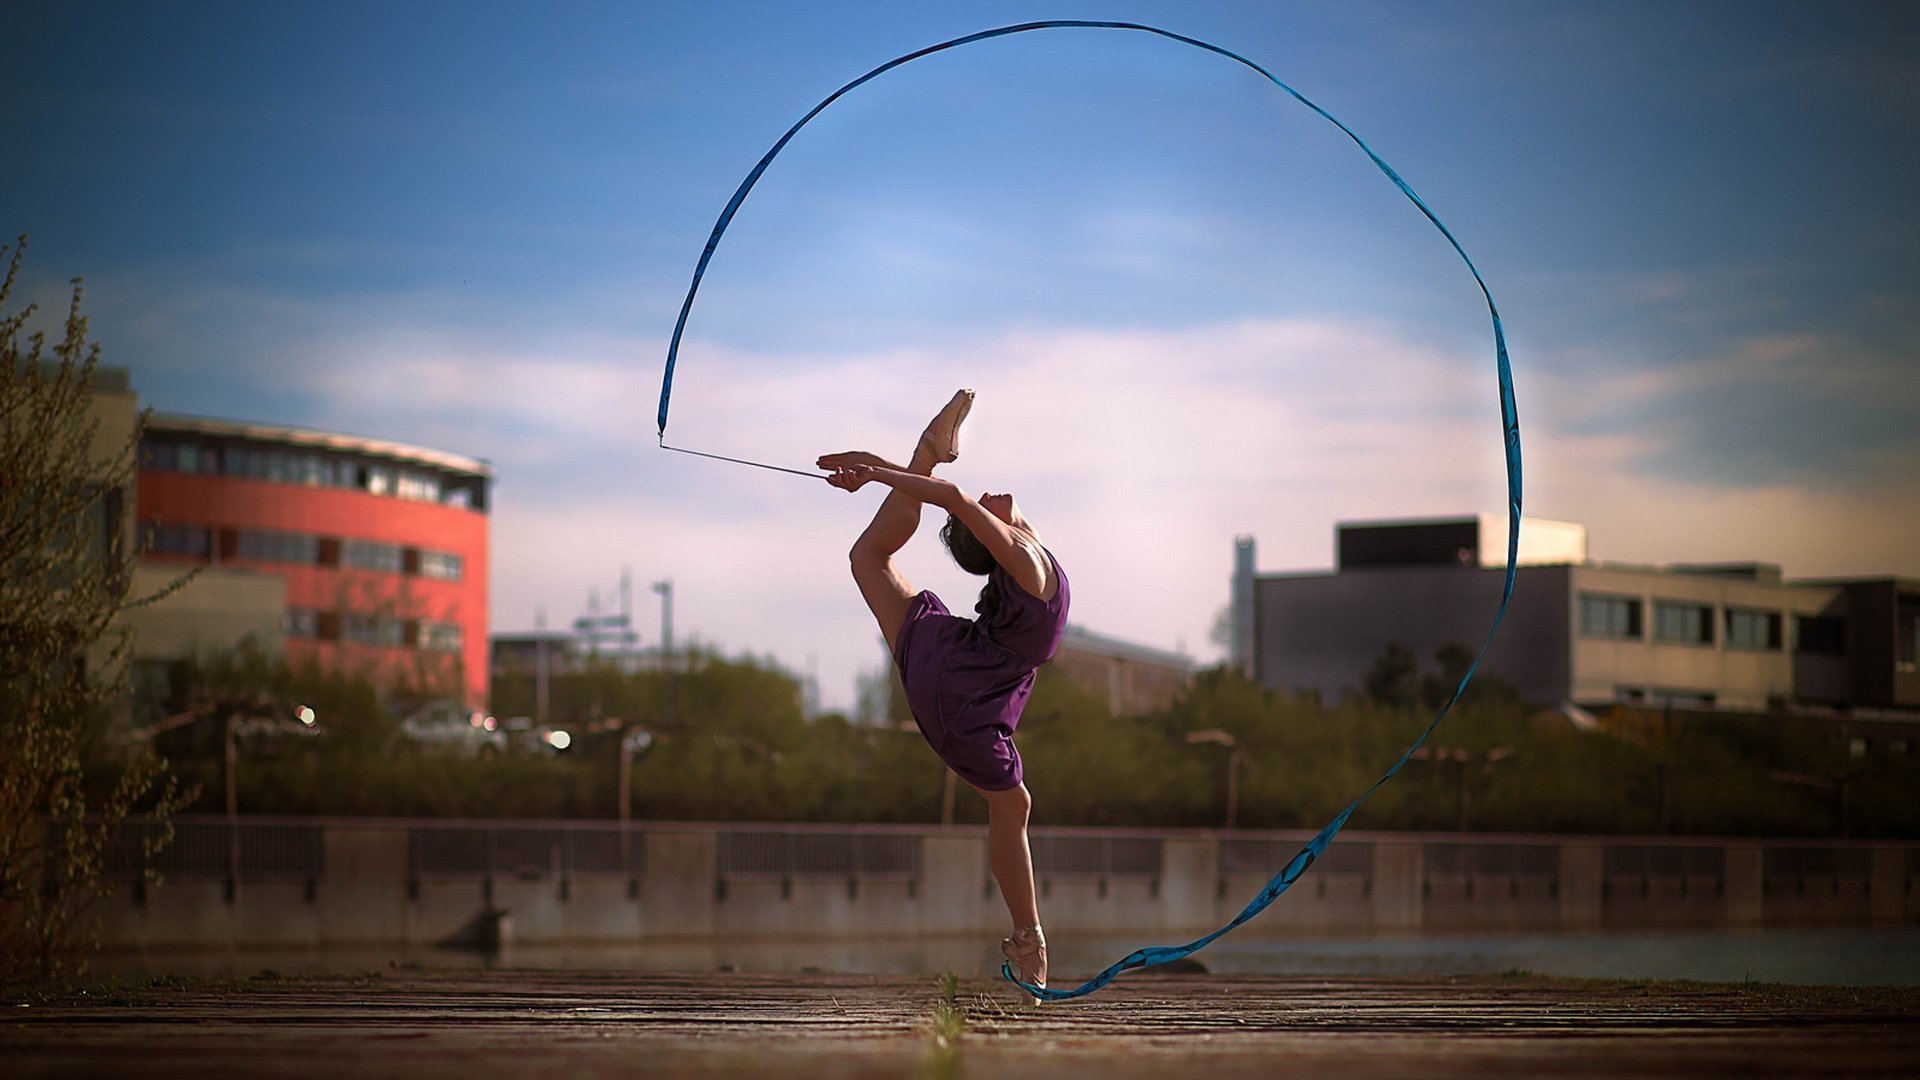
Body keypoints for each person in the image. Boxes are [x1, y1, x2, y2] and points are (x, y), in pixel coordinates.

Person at [819, 389, 1067, 1000]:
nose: (986, 499)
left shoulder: (1025, 559)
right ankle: (1029, 938)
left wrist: (882, 470)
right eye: (983, 513)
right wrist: (876, 471)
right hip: (963, 684)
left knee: (867, 558)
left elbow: (960, 505)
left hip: (964, 674)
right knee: (1013, 809)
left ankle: (929, 451)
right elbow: (957, 505)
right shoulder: (1026, 566)